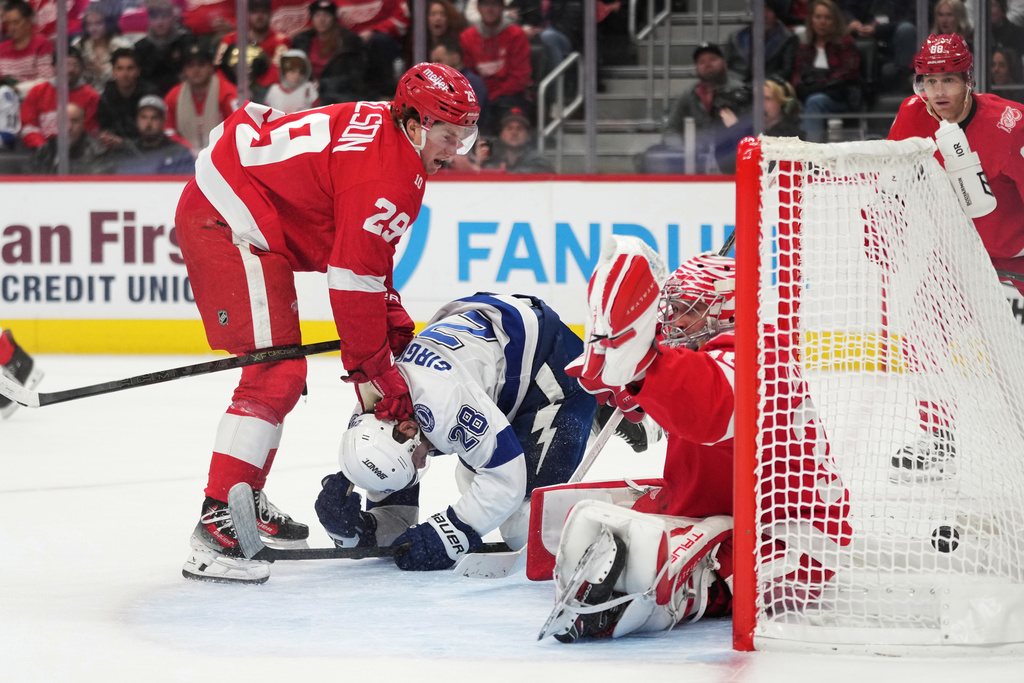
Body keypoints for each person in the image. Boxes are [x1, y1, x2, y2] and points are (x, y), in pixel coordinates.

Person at [174, 62, 481, 584]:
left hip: (239, 209)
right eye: (447, 134)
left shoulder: (394, 142)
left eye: (464, 136)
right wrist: (372, 370)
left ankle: (244, 496)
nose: (454, 149)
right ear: (414, 123)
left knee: (281, 377)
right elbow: (351, 278)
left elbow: (364, 259)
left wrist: (391, 320)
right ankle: (218, 519)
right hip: (225, 222)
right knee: (275, 376)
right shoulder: (390, 173)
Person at [532, 237, 851, 642]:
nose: (672, 322)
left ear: (725, 313)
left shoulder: (757, 356)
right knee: (600, 518)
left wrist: (645, 368)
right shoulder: (713, 351)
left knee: (660, 563)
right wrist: (627, 383)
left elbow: (710, 407)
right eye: (673, 309)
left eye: (687, 311)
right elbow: (675, 400)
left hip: (793, 537)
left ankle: (676, 597)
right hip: (729, 509)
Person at [314, 292, 597, 572]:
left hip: (552, 364)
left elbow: (506, 482)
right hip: (494, 343)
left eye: (415, 461)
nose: (422, 463)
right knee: (474, 476)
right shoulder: (375, 421)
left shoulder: (444, 407)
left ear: (409, 427)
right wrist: (360, 532)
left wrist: (453, 531)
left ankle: (615, 526)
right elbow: (397, 522)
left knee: (527, 526)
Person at [886, 34, 1024, 472]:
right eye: (929, 80)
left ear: (968, 79)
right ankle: (938, 437)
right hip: (960, 253)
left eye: (948, 79)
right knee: (924, 331)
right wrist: (879, 235)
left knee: (1011, 354)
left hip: (1015, 258)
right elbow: (891, 181)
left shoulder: (1011, 124)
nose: (938, 91)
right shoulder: (912, 115)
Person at [660, 42, 752, 174]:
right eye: (701, 62)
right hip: (697, 162)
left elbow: (753, 129)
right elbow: (671, 128)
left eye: (713, 59)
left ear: (724, 63)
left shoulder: (739, 92)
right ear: (696, 68)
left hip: (734, 160)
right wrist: (682, 149)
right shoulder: (690, 95)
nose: (707, 64)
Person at [791, 0, 861, 142]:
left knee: (814, 101)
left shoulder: (845, 43)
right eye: (818, 17)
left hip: (840, 98)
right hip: (810, 97)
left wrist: (818, 84)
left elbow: (848, 72)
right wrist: (804, 87)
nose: (822, 22)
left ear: (835, 21)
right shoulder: (805, 48)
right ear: (811, 20)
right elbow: (798, 77)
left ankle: (810, 154)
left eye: (827, 18)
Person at [460, 0, 533, 124]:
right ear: (478, 7)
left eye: (495, 4)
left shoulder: (516, 35)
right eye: (485, 4)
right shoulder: (467, 37)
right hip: (478, 96)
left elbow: (520, 77)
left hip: (509, 96)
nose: (490, 9)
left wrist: (492, 97)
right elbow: (467, 74)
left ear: (503, 7)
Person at [19, 47, 100, 149]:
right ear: (54, 67)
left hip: (77, 156)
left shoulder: (91, 96)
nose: (71, 69)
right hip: (41, 153)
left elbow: (90, 131)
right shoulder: (37, 92)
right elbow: (29, 127)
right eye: (66, 64)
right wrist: (45, 149)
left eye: (76, 65)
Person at [290, 0, 368, 104]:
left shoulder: (348, 41)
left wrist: (323, 84)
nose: (322, 20)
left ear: (334, 18)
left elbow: (355, 77)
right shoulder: (302, 40)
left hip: (339, 94)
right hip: (306, 92)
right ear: (312, 19)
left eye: (326, 15)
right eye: (317, 15)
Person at [163, 43, 237, 151]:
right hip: (183, 156)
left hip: (223, 151)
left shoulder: (227, 93)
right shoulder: (174, 95)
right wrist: (186, 148)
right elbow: (166, 129)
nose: (196, 70)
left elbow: (237, 127)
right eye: (190, 65)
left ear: (211, 67)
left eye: (201, 64)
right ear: (184, 70)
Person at [335, 0, 409, 100]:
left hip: (381, 44)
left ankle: (386, 95)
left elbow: (402, 20)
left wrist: (374, 30)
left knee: (380, 41)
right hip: (348, 43)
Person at [214, 0, 291, 93]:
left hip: (265, 92)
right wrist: (232, 91)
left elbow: (277, 73)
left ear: (271, 14)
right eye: (255, 12)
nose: (259, 16)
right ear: (247, 15)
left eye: (264, 12)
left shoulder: (281, 41)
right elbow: (218, 70)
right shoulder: (230, 39)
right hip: (233, 91)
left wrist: (255, 89)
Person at [111, 93, 194, 172]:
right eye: (144, 117)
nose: (148, 124)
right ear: (137, 120)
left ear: (163, 120)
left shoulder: (179, 153)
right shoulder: (127, 152)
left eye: (154, 118)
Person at [724, 0, 798, 84]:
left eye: (769, 10)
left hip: (769, 87)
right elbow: (726, 68)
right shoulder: (736, 38)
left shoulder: (788, 39)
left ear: (776, 14)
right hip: (737, 86)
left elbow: (786, 72)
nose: (764, 15)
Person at [30, 101, 114, 173]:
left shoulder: (98, 152)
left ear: (83, 124)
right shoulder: (45, 151)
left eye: (75, 121)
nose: (69, 126)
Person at [430, 37, 491, 135]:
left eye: (439, 61)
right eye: (433, 62)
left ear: (456, 58)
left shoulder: (471, 83)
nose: (434, 67)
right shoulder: (439, 84)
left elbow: (467, 121)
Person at [133, 0, 195, 97]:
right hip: (149, 98)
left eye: (164, 16)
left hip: (182, 94)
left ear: (173, 18)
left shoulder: (186, 41)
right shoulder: (140, 47)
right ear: (149, 19)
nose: (159, 22)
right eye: (154, 17)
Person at [96, 47, 157, 145]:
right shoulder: (106, 97)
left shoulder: (150, 95)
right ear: (113, 71)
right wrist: (105, 137)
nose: (125, 74)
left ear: (138, 71)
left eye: (130, 68)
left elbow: (154, 133)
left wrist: (124, 143)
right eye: (120, 68)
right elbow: (104, 128)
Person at [71, 3, 133, 90]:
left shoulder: (122, 45)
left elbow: (127, 77)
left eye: (98, 23)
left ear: (108, 23)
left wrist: (100, 69)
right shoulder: (78, 44)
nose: (93, 28)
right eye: (89, 24)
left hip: (115, 94)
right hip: (85, 95)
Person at [0, 0, 55, 98]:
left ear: (29, 20)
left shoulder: (42, 44)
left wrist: (16, 89)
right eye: (8, 24)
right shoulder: (2, 48)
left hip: (33, 99)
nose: (11, 28)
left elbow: (45, 80)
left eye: (16, 22)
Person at [478, 105, 553, 172]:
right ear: (501, 134)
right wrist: (478, 163)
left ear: (528, 135)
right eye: (509, 128)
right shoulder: (490, 158)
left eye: (519, 129)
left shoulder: (539, 161)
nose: (514, 133)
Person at [0, 326, 42, 420]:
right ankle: (20, 362)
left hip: (15, 362)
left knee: (2, 401)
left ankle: (21, 364)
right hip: (12, 360)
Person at [263, 48, 319, 113]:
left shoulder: (308, 89)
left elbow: (318, 112)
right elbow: (266, 114)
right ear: (283, 72)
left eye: (301, 72)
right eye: (293, 71)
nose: (296, 76)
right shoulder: (274, 90)